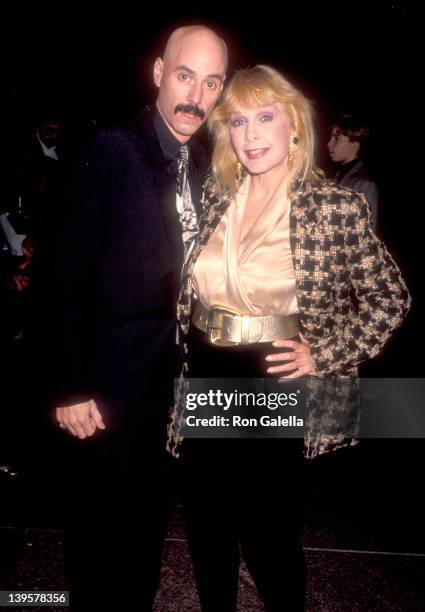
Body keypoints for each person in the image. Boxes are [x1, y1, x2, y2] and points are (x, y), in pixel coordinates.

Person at [167, 65, 411, 611]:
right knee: (207, 524)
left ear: (294, 127)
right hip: (208, 365)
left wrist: (321, 353)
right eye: (237, 121)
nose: (250, 135)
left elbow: (390, 298)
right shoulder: (214, 195)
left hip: (274, 373)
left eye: (265, 117)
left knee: (267, 533)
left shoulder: (333, 206)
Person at [38, 26, 228, 611]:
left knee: (146, 538)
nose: (196, 94)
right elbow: (58, 278)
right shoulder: (110, 150)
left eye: (212, 81)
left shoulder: (208, 162)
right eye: (184, 75)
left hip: (174, 396)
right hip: (107, 387)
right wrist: (69, 385)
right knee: (98, 544)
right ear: (157, 72)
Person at [327, 113, 379, 229]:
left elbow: (366, 237)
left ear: (355, 143)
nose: (329, 144)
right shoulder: (333, 179)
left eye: (337, 138)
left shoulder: (365, 185)